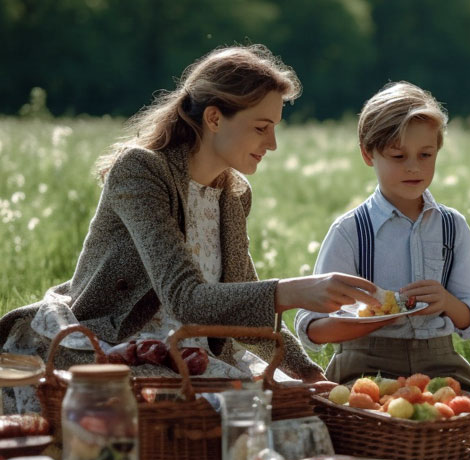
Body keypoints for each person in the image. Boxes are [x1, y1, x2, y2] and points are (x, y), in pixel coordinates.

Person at [0, 44, 380, 414]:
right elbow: (185, 298)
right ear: (214, 118)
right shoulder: (142, 171)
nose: (273, 144)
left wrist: (305, 370)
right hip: (118, 346)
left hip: (195, 354)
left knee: (298, 408)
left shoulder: (233, 194)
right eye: (261, 127)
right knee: (228, 415)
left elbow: (240, 303)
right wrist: (292, 291)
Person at [294, 81, 470, 393]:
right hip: (364, 365)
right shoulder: (351, 231)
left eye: (425, 155)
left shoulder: (452, 227)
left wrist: (447, 302)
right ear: (368, 154)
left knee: (465, 420)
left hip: (439, 360)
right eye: (398, 156)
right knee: (365, 419)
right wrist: (366, 320)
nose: (414, 167)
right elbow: (311, 327)